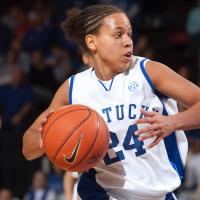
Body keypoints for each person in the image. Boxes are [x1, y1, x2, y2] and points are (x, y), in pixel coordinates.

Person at [22, 4, 200, 200]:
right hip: (100, 194)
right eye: (118, 35)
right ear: (92, 42)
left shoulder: (148, 72)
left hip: (157, 194)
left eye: (129, 34)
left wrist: (172, 122)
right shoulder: (73, 89)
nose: (128, 42)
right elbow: (28, 148)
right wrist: (48, 138)